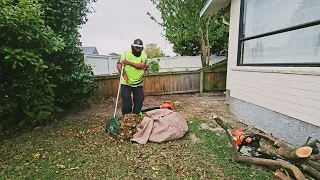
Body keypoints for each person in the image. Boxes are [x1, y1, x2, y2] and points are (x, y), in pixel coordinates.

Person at [117, 39, 148, 116]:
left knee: (139, 99)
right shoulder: (125, 54)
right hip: (126, 82)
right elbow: (119, 65)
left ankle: (135, 116)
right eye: (136, 48)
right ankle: (126, 118)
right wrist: (124, 75)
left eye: (139, 48)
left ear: (142, 48)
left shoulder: (144, 55)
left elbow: (142, 66)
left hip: (138, 82)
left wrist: (129, 63)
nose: (138, 50)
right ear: (132, 47)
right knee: (126, 101)